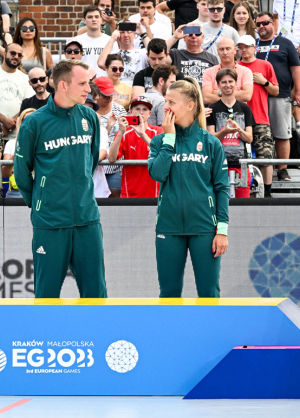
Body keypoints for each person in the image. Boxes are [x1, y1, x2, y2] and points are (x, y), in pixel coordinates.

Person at [13, 60, 107, 298]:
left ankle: (95, 335)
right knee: (47, 294)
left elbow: (92, 159)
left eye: (89, 83)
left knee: (96, 293)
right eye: (83, 83)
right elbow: (22, 171)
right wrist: (39, 202)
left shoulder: (90, 117)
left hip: (87, 219)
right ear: (63, 85)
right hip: (51, 221)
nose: (89, 89)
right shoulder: (35, 122)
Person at [148, 78, 230, 298]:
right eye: (166, 102)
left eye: (172, 102)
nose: (166, 107)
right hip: (168, 227)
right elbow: (157, 174)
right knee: (169, 293)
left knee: (208, 292)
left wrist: (221, 230)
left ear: (190, 105)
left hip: (204, 228)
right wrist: (169, 138)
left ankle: (210, 333)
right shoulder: (158, 141)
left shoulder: (211, 143)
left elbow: (222, 188)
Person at [255, 12, 300, 182]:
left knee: (281, 133)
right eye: (259, 24)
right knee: (258, 133)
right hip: (256, 96)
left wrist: (299, 91)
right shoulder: (251, 45)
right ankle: (259, 168)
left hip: (280, 94)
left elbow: (296, 69)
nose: (262, 26)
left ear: (273, 24)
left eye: (265, 23)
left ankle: (282, 169)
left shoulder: (285, 43)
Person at [237, 35, 279, 195]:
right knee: (238, 156)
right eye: (240, 47)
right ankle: (242, 189)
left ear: (254, 47)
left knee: (265, 156)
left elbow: (276, 91)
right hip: (239, 119)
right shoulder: (236, 67)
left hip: (260, 117)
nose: (243, 50)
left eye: (246, 46)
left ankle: (267, 192)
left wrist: (264, 82)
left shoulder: (265, 65)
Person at [207, 69, 255, 198]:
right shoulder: (212, 108)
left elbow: (249, 138)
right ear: (218, 85)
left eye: (230, 81)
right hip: (218, 164)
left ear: (236, 83)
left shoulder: (245, 108)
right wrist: (225, 132)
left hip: (241, 165)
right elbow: (210, 137)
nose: (227, 85)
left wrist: (239, 130)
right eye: (223, 82)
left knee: (243, 204)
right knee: (219, 203)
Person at [108, 96, 162, 198]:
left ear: (150, 114)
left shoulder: (158, 131)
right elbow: (111, 158)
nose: (141, 112)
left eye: (145, 109)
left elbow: (162, 153)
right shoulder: (124, 133)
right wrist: (120, 132)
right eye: (137, 109)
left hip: (154, 190)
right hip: (130, 191)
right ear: (131, 112)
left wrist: (142, 134)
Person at [0, 44, 32, 142]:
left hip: (17, 137)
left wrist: (11, 125)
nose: (16, 56)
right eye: (13, 53)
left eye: (20, 55)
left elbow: (28, 105)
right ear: (4, 54)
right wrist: (3, 122)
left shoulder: (25, 78)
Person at [200, 37, 254, 105]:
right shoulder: (209, 72)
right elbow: (206, 98)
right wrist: (236, 94)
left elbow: (247, 96)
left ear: (234, 50)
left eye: (228, 49)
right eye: (221, 49)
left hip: (239, 113)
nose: (225, 53)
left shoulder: (245, 71)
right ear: (217, 52)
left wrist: (218, 92)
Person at [99, 25, 149, 94]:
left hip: (137, 92)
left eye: (129, 32)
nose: (126, 35)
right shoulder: (113, 54)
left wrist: (142, 34)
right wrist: (112, 39)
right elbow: (101, 63)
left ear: (134, 35)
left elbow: (155, 53)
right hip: (116, 93)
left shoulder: (142, 53)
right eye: (122, 32)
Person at [1, 108, 35, 199]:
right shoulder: (11, 143)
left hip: (38, 192)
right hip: (15, 193)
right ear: (20, 122)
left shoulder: (45, 143)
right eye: (25, 120)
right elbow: (5, 173)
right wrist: (18, 151)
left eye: (33, 118)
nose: (29, 123)